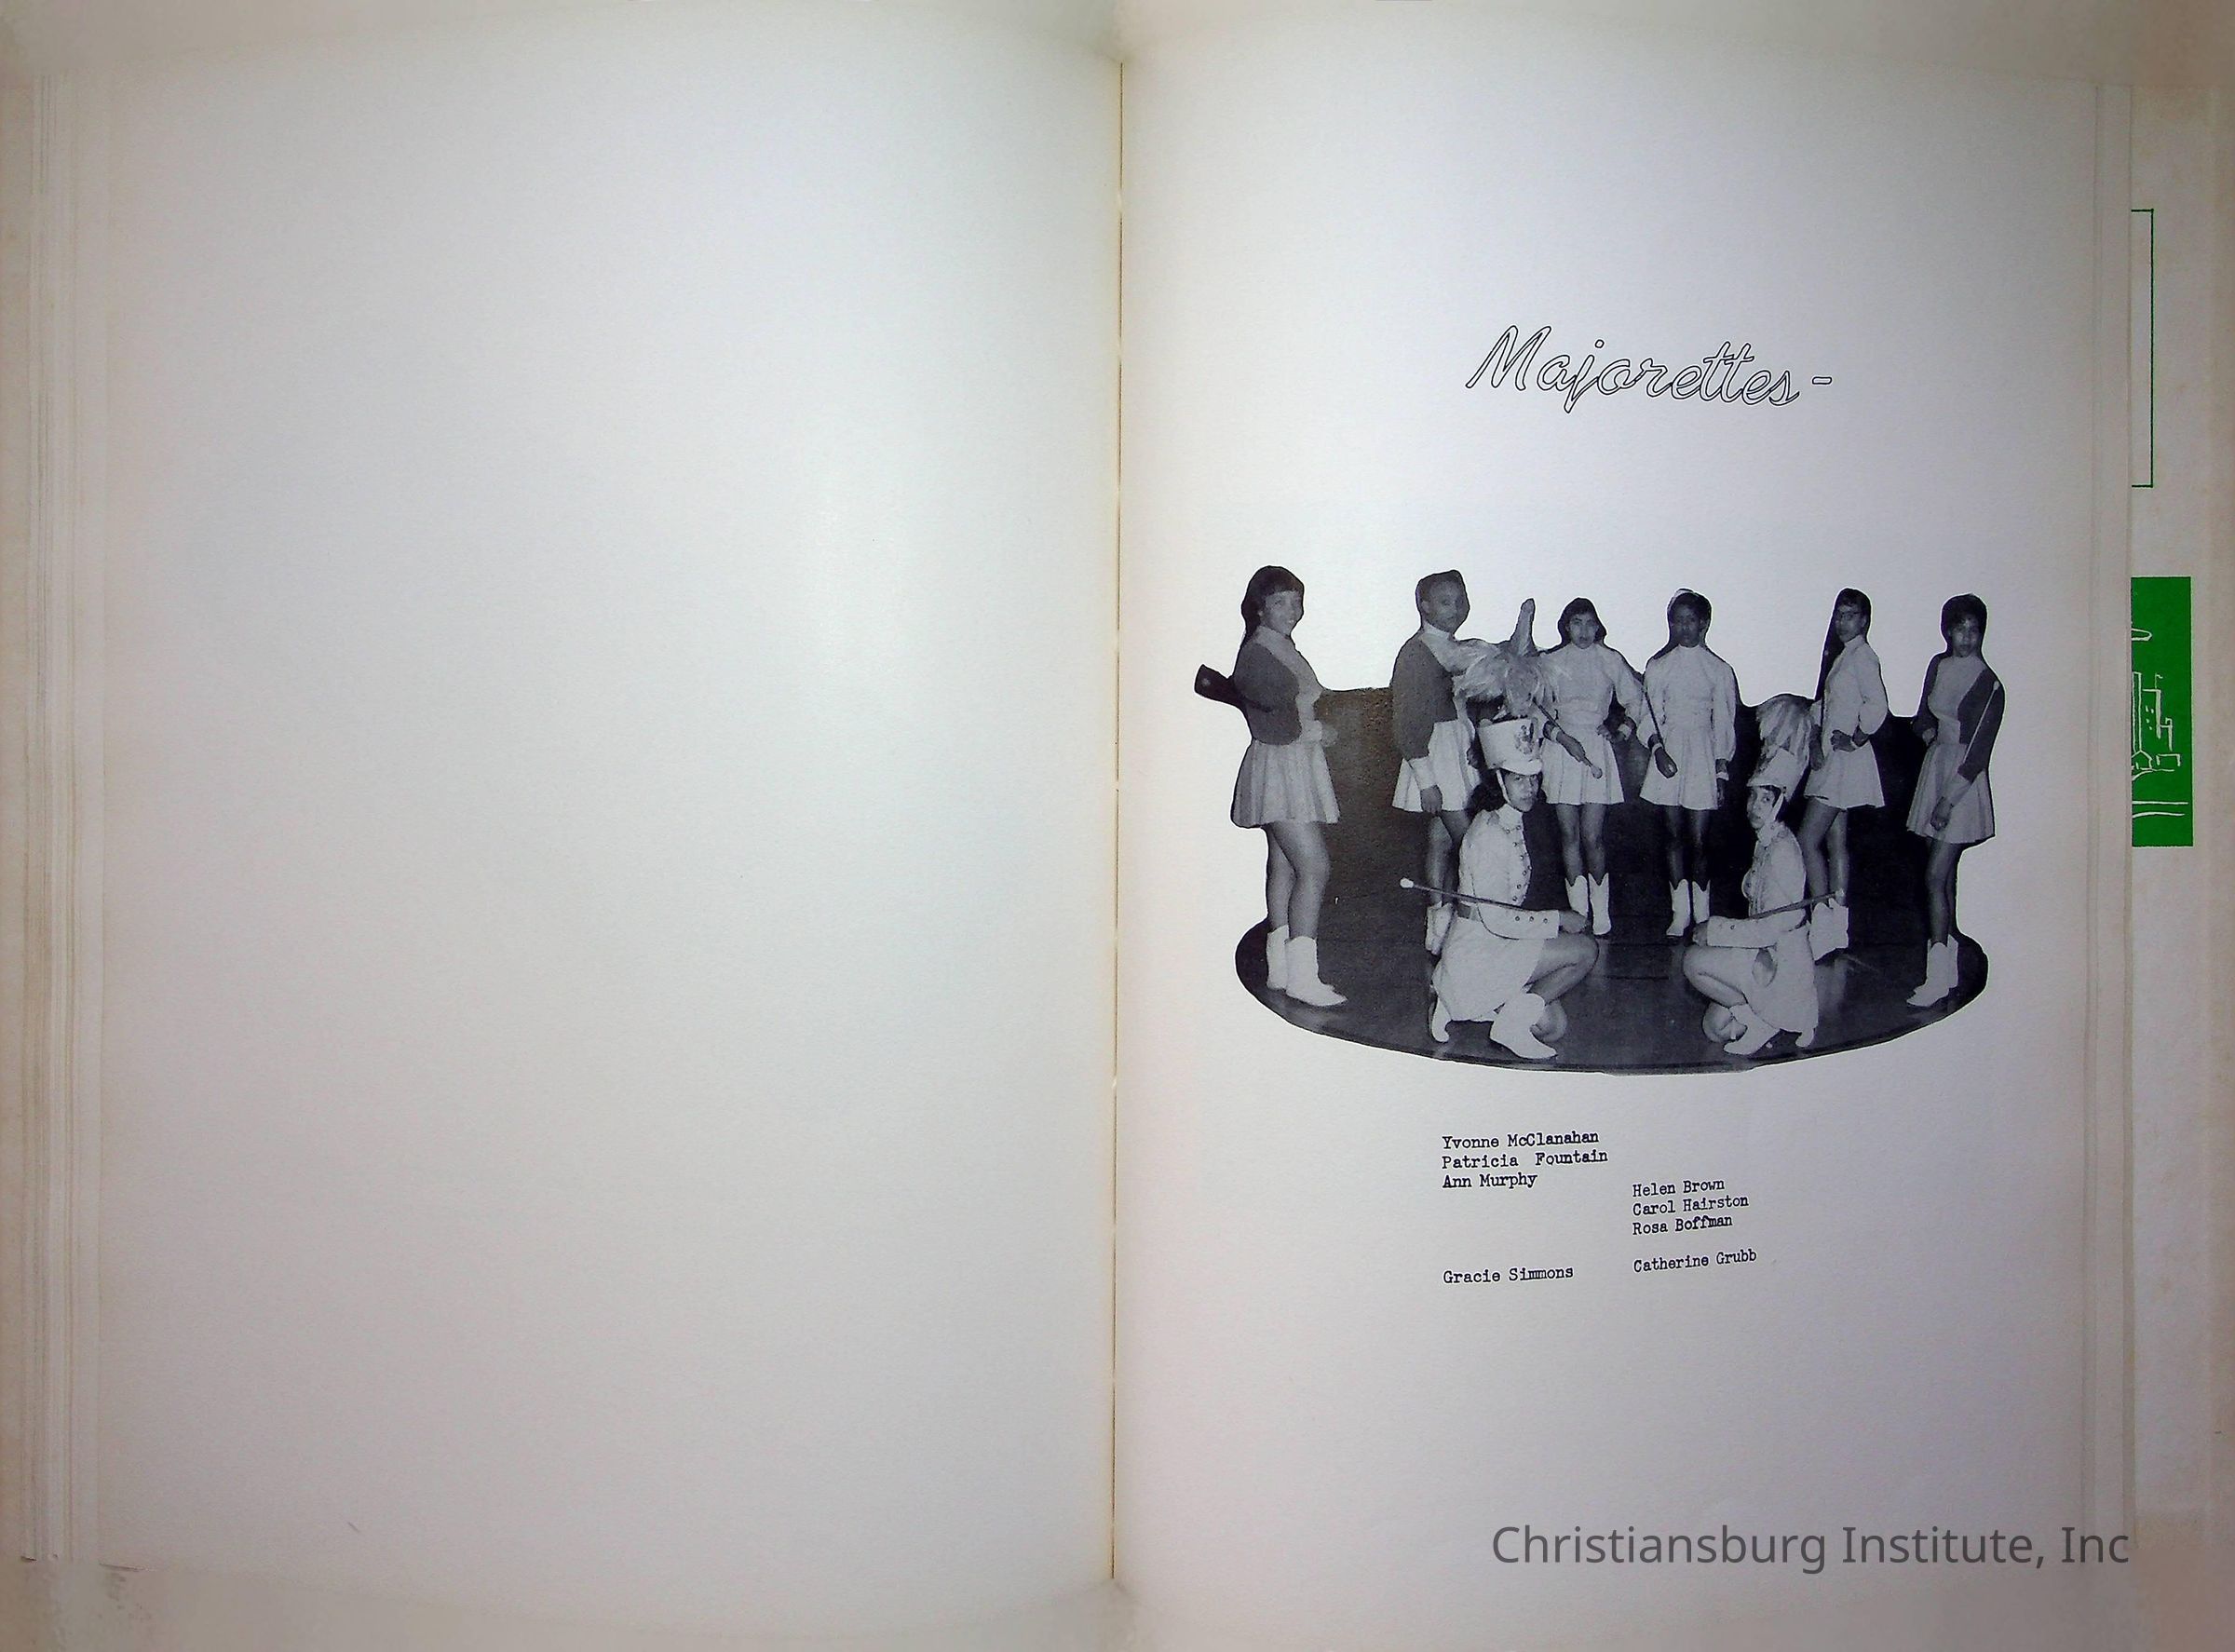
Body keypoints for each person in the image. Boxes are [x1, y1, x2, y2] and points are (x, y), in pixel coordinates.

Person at [1429, 715, 1598, 1060]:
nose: (1529, 788)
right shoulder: (1489, 834)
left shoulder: (1510, 820)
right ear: (1498, 781)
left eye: (1533, 779)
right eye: (1518, 779)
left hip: (1497, 946)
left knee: (1553, 1027)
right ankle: (1490, 1014)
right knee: (1584, 951)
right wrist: (1559, 919)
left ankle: (1454, 1001)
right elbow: (1498, 920)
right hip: (1478, 953)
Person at [1228, 565, 1345, 1007]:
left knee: (1283, 864)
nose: (1292, 610)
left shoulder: (1278, 645)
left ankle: (1279, 968)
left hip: (1289, 764)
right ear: (1260, 608)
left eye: (1296, 601)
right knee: (1315, 867)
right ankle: (1303, 977)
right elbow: (1274, 724)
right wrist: (1320, 731)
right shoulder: (1259, 653)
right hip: (1282, 764)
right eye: (1281, 602)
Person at [1682, 749, 1820, 1057]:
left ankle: (1766, 1020)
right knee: (1714, 1029)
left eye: (1765, 799)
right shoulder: (1768, 841)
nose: (1754, 806)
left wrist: (1714, 930)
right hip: (1766, 956)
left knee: (1693, 961)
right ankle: (1761, 1017)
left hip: (1781, 966)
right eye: (1752, 796)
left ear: (1780, 804)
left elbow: (1771, 930)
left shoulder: (1782, 852)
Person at [1904, 593, 2004, 1008]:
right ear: (1947, 630)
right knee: (1943, 880)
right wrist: (1932, 738)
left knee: (1933, 877)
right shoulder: (1938, 665)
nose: (1966, 637)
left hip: (1963, 782)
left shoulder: (1990, 683)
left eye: (1973, 630)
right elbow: (1922, 716)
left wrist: (1947, 801)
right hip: (1936, 767)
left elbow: (1978, 754)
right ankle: (1947, 973)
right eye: (1959, 629)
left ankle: (1937, 975)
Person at [1537, 597, 1648, 938]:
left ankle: (1601, 913)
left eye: (1590, 624)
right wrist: (1560, 736)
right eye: (1576, 623)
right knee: (1569, 835)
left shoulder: (1610, 659)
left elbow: (1636, 700)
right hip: (1561, 749)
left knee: (1592, 836)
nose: (1584, 631)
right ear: (1566, 627)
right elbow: (1536, 709)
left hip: (1597, 749)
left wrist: (1622, 731)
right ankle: (1579, 913)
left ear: (1598, 627)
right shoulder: (1551, 661)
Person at [1639, 589, 1740, 937]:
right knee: (1673, 836)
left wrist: (1721, 770)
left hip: (1702, 756)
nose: (1683, 627)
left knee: (1699, 840)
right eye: (1677, 621)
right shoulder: (1658, 667)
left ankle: (1703, 915)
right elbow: (1649, 717)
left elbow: (1723, 723)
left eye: (1690, 621)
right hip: (1669, 752)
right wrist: (1657, 749)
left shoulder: (1719, 670)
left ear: (1704, 624)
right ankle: (1679, 913)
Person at [1389, 572, 1480, 956]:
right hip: (1434, 754)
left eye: (1460, 601)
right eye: (1445, 602)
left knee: (1441, 841)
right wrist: (1426, 780)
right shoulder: (1417, 652)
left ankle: (1440, 927)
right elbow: (1406, 722)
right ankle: (1471, 926)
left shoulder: (1456, 648)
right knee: (1473, 844)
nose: (1455, 609)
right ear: (1424, 606)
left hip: (1455, 750)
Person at [1797, 589, 1888, 959]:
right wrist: (1816, 737)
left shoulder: (1864, 657)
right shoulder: (1845, 655)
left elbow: (1878, 705)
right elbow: (1826, 705)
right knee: (1836, 842)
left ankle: (1823, 922)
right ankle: (1838, 930)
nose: (1842, 622)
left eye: (1850, 615)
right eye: (1838, 615)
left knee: (1807, 840)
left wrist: (1856, 737)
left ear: (1864, 620)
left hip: (1845, 762)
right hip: (1835, 760)